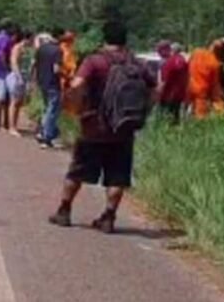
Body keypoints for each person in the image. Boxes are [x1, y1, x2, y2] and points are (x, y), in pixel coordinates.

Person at [48, 20, 156, 234]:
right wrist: (144, 111)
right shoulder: (137, 64)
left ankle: (64, 211)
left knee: (77, 171)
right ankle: (108, 217)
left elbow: (77, 85)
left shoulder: (95, 61)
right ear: (125, 39)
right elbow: (155, 90)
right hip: (123, 130)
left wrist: (75, 106)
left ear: (104, 38)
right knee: (117, 176)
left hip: (94, 127)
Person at [33, 30, 64, 148]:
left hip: (42, 82)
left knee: (47, 108)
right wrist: (65, 74)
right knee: (52, 110)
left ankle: (47, 133)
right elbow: (56, 69)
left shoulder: (41, 49)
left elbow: (35, 65)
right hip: (53, 83)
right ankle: (46, 136)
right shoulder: (57, 50)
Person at [187, 40, 224, 119]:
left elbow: (188, 67)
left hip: (191, 89)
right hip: (203, 93)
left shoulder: (197, 53)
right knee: (201, 116)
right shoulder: (214, 63)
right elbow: (214, 84)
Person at [6, 28, 31, 137]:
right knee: (14, 101)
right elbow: (14, 62)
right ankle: (11, 127)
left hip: (25, 77)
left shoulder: (28, 49)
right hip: (17, 77)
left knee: (20, 102)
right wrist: (19, 77)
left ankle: (15, 125)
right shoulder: (17, 48)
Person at [157, 41, 189, 124]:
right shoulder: (183, 61)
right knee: (176, 117)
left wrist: (159, 94)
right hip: (180, 95)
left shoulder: (169, 62)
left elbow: (164, 81)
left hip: (169, 95)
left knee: (167, 119)